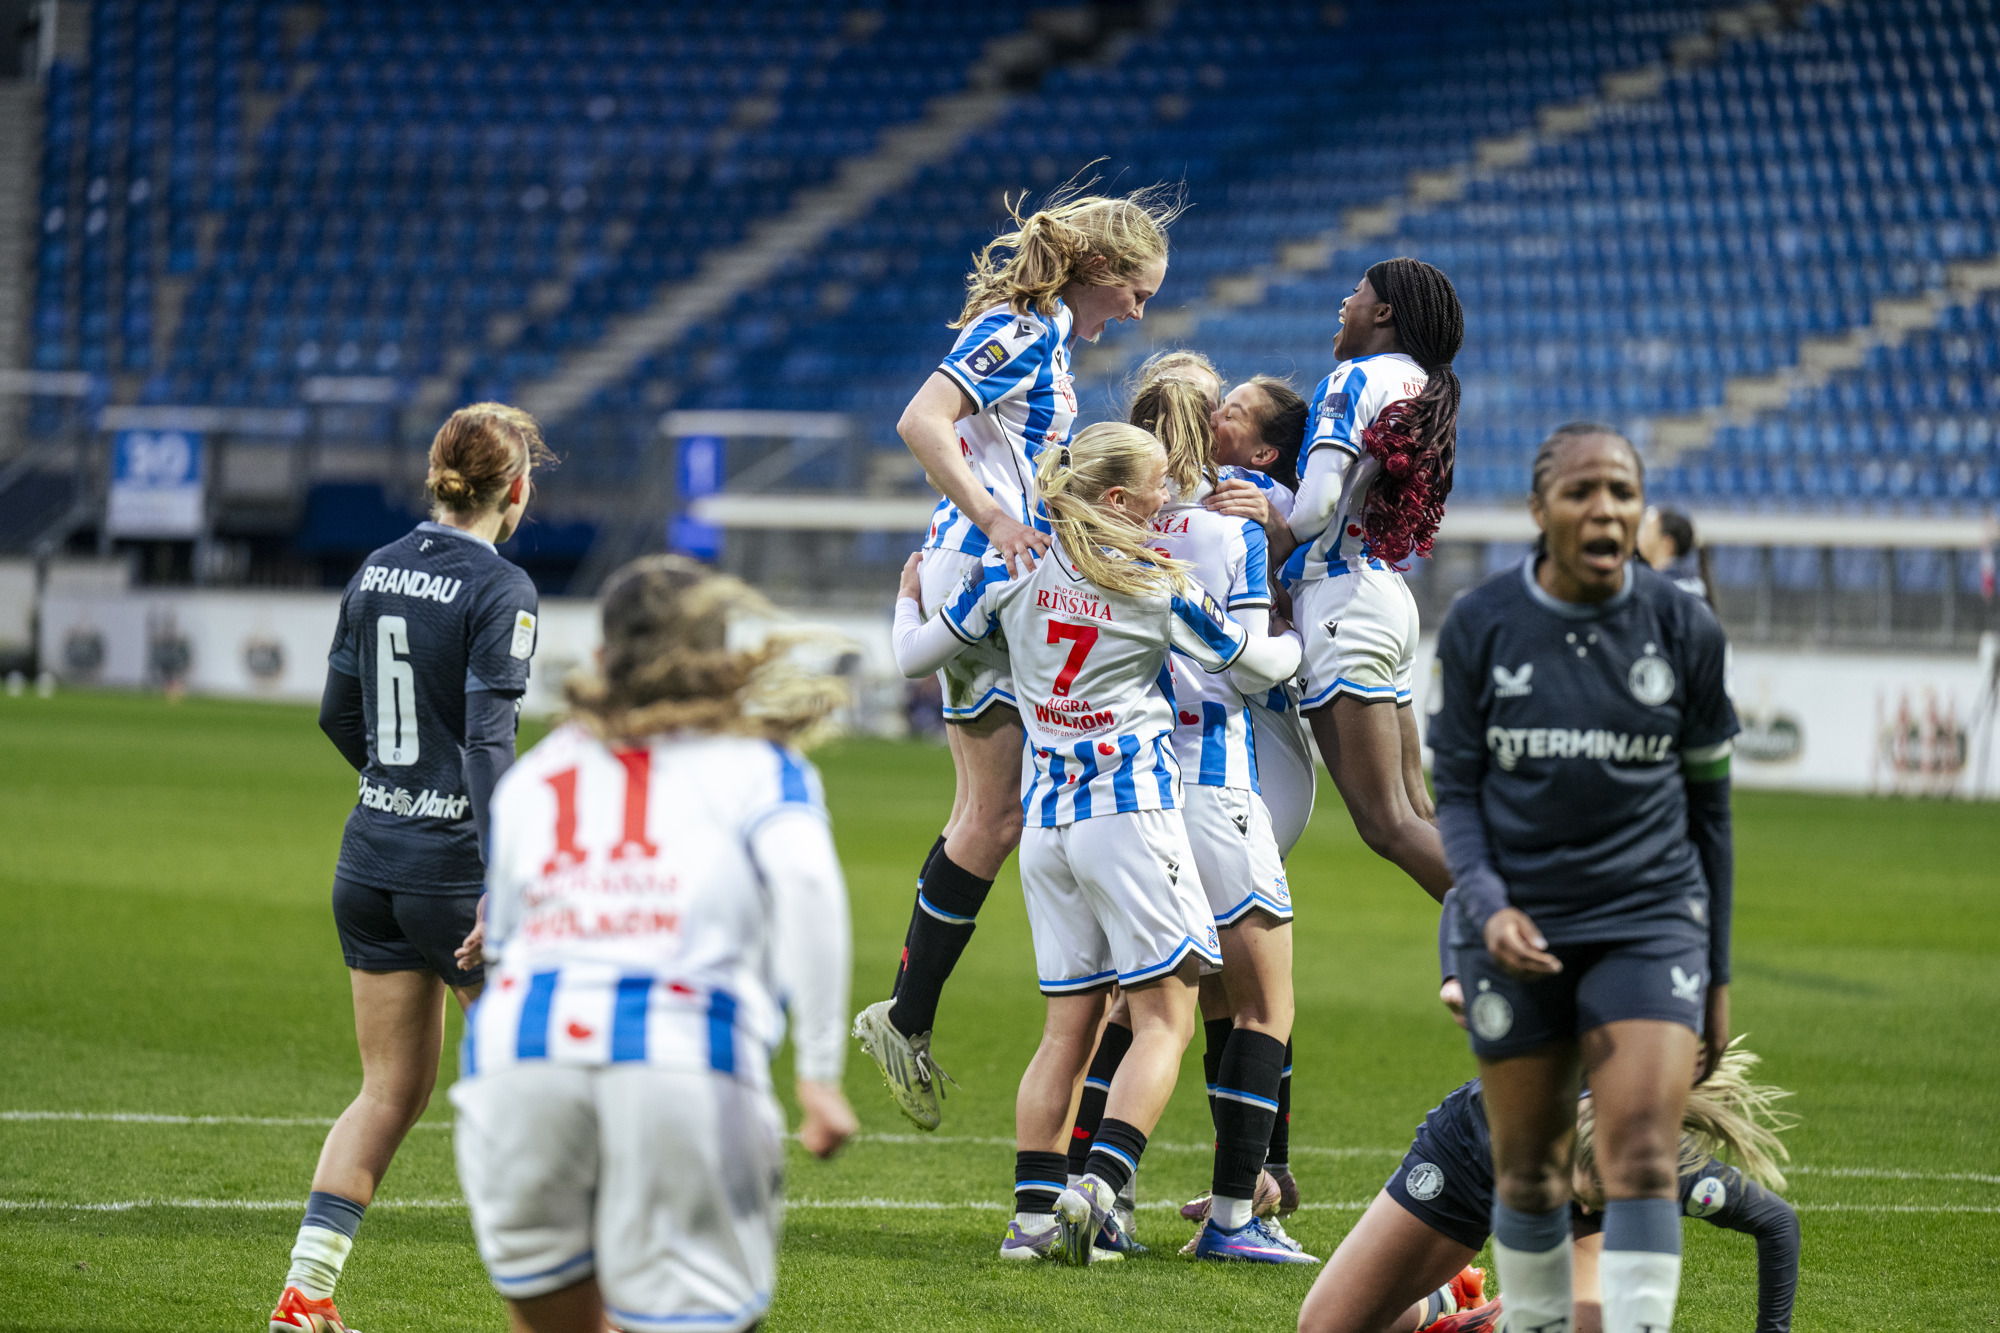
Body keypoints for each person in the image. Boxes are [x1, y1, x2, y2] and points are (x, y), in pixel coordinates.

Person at [888, 420, 1303, 1266]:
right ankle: (1098, 1186)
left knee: (1064, 1033)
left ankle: (1032, 1220)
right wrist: (1301, 642)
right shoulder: (1149, 578)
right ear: (1116, 499)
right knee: (1167, 1018)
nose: (1167, 499)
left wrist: (906, 595)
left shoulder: (1012, 565)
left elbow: (912, 655)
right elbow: (1250, 664)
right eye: (1155, 486)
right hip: (1132, 818)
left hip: (1048, 827)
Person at [451, 555, 858, 1333]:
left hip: (518, 1056)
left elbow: (502, 936)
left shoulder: (540, 774)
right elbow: (807, 885)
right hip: (681, 1055)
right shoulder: (759, 766)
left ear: (603, 658)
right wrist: (819, 1074)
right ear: (718, 657)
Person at [855, 183, 1184, 1132]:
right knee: (1011, 810)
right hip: (990, 567)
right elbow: (923, 418)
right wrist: (994, 514)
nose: (1139, 310)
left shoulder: (1037, 334)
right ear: (1101, 269)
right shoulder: (1027, 328)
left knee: (996, 812)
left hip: (985, 564)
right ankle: (932, 1018)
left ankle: (922, 1018)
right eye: (1139, 290)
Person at [1428, 422, 1740, 1333]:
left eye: (1622, 492)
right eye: (1580, 492)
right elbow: (1458, 798)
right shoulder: (1484, 624)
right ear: (1539, 510)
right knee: (1530, 1168)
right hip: (1518, 925)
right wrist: (1485, 908)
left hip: (1651, 921)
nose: (1604, 508)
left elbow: (1712, 817)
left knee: (1641, 1154)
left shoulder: (1684, 627)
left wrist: (1715, 978)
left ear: (1640, 510)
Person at [271, 403, 551, 1333]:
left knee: (387, 1091)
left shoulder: (376, 566)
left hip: (371, 862)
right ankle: (574, 1303)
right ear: (514, 489)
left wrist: (398, 787)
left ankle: (305, 1295)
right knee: (532, 1092)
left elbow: (334, 714)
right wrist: (501, 875)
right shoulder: (501, 586)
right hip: (457, 876)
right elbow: (485, 739)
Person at [1132, 368, 1317, 1263]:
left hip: (1135, 789)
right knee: (1264, 1004)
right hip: (1219, 779)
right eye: (1217, 405)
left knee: (1148, 998)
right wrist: (1291, 646)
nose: (1222, 412)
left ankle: (1075, 1199)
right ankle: (1243, 1210)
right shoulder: (1232, 525)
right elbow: (1248, 663)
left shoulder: (1104, 520)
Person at [1295, 1043, 1799, 1333]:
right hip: (1474, 1156)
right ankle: (1448, 1300)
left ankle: (1494, 1320)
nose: (1582, 1202)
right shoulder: (1522, 1094)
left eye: (1601, 1198)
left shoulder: (1666, 1163)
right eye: (1581, 1189)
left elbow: (1777, 1224)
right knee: (1326, 1329)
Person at [1279, 258, 1464, 905]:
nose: (1344, 301)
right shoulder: (1422, 384)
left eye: (1356, 291)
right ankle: (1494, 944)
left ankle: (1532, 942)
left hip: (1340, 599)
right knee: (1419, 810)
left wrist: (1254, 549)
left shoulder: (1354, 378)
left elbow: (1314, 508)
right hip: (1384, 598)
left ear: (1383, 311)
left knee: (1388, 823)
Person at [1637, 505, 1713, 604]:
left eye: (1647, 531)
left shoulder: (1661, 590)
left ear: (1667, 543)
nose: (1639, 537)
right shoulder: (1694, 583)